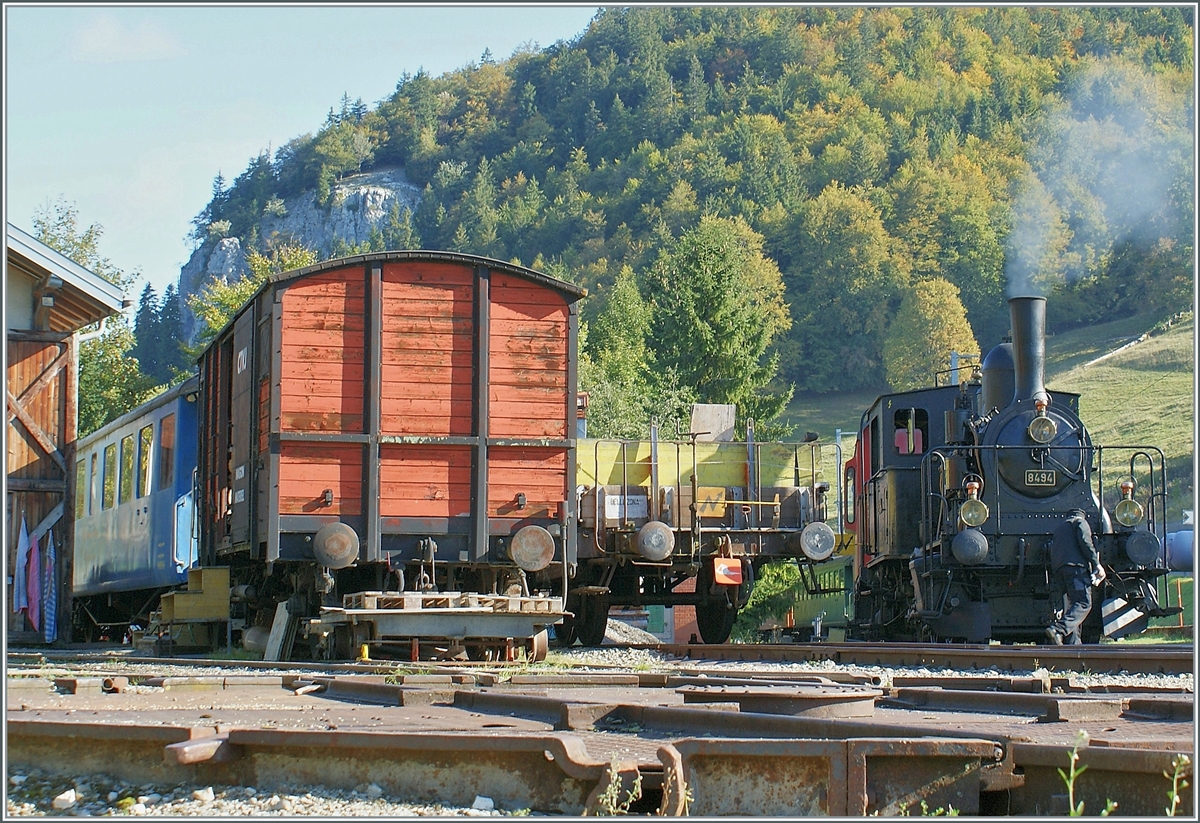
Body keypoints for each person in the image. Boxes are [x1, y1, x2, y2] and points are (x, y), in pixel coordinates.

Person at [1046, 509, 1104, 645]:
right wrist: (1097, 564)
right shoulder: (1080, 522)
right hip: (1076, 569)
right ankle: (1058, 630)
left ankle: (1073, 644)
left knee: (1072, 606)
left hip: (1060, 570)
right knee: (1083, 603)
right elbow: (1085, 542)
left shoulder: (1060, 528)